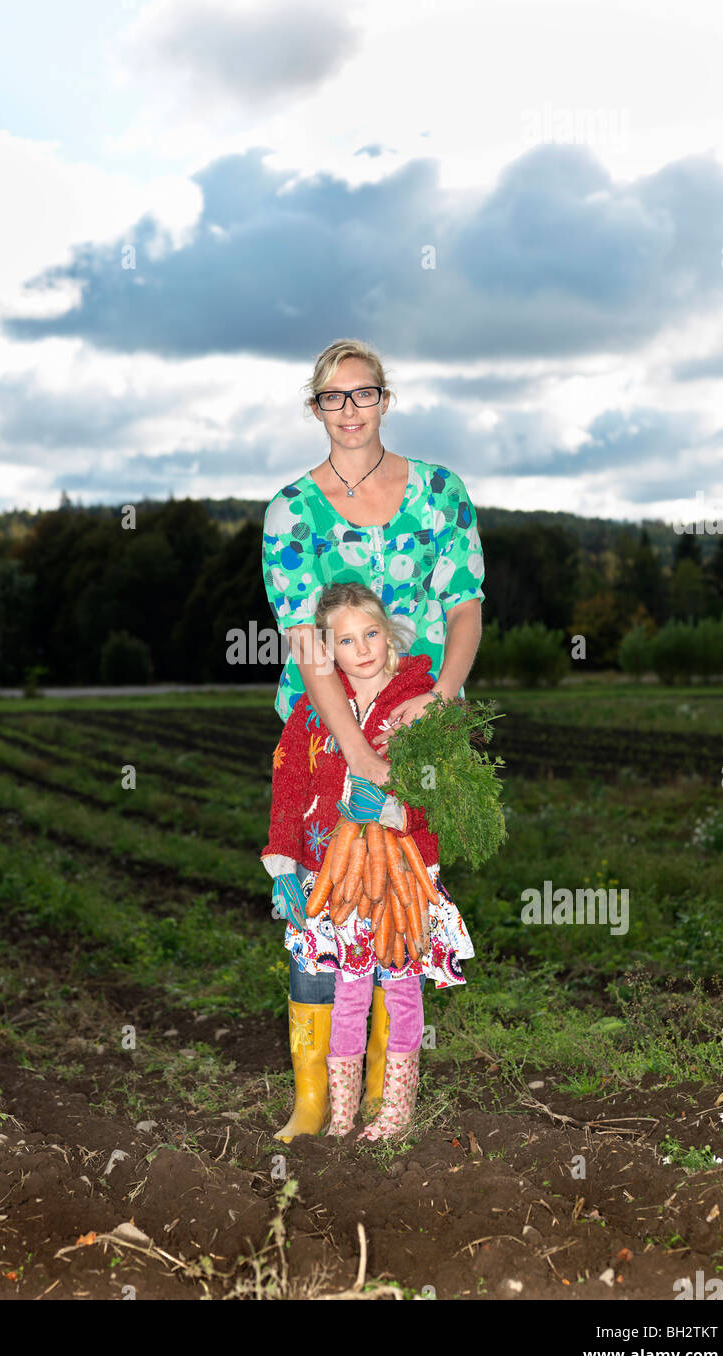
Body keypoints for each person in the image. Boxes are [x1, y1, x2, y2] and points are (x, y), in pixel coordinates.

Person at [261, 337, 485, 1139]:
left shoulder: (438, 491)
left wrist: (441, 701)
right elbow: (305, 636)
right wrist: (356, 752)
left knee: (398, 904)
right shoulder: (291, 511)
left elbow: (463, 604)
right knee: (320, 908)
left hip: (417, 731)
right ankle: (315, 1101)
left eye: (364, 394)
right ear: (314, 407)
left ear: (385, 400)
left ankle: (388, 1105)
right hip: (325, 739)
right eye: (333, 397)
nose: (349, 410)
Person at [262, 582, 475, 1140]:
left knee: (397, 984)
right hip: (327, 872)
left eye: (372, 634)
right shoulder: (311, 713)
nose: (363, 648)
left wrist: (403, 809)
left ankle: (390, 1103)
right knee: (327, 981)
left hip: (399, 875)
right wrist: (284, 859)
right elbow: (288, 786)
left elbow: (451, 792)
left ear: (389, 633)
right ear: (326, 652)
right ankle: (326, 1108)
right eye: (347, 640)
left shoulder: (419, 704)